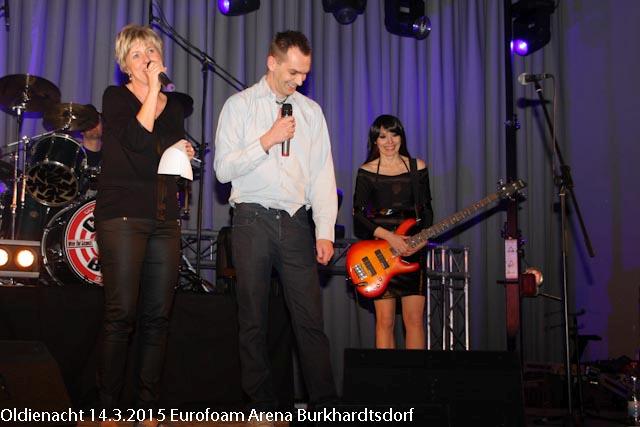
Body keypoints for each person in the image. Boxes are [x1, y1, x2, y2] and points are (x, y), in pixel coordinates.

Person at [214, 31, 338, 425]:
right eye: (293, 72)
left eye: (305, 74)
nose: (299, 80)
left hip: (297, 221)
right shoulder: (239, 106)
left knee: (309, 320)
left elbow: (322, 174)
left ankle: (324, 407)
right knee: (253, 317)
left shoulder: (311, 112)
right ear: (272, 62)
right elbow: (222, 169)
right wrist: (267, 140)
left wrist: (324, 230)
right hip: (251, 218)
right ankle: (261, 406)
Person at [94, 24, 194, 427]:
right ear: (125, 65)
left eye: (151, 51)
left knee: (157, 316)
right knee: (121, 314)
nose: (146, 59)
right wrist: (153, 91)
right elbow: (138, 142)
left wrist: (179, 151)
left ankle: (147, 408)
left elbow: (162, 155)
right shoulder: (115, 98)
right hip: (122, 215)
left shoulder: (174, 107)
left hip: (164, 217)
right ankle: (106, 407)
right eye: (137, 54)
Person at [352, 114, 434, 349]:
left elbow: (427, 210)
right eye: (382, 137)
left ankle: (414, 372)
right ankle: (385, 372)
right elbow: (358, 215)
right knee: (385, 321)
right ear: (374, 141)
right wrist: (390, 237)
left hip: (412, 250)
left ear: (401, 137)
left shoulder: (418, 167)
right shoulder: (366, 171)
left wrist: (423, 239)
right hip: (381, 254)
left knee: (414, 320)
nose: (389, 142)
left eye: (394, 135)